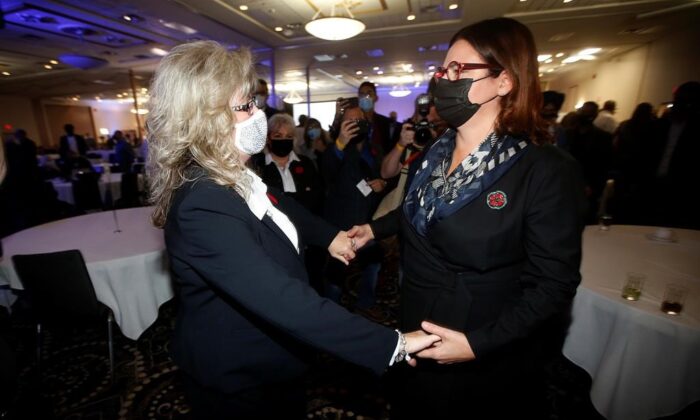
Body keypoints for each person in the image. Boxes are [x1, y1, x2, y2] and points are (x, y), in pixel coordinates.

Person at [145, 41, 438, 419]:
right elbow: (280, 299)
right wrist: (393, 344)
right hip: (239, 374)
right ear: (208, 118)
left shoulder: (230, 173)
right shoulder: (204, 201)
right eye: (246, 106)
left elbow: (284, 206)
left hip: (274, 357)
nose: (258, 114)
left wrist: (329, 236)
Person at [348, 17, 587, 418]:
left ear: (505, 81)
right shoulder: (434, 152)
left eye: (460, 69)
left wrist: (479, 343)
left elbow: (553, 284)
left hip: (480, 341)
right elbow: (418, 212)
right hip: (413, 322)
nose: (445, 80)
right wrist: (372, 229)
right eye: (443, 70)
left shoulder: (544, 169)